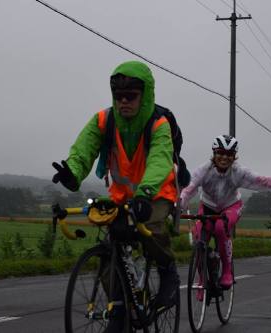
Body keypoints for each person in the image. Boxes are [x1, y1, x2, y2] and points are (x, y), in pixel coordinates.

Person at [52, 60, 180, 332]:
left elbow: (159, 160)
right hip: (121, 197)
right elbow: (83, 151)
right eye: (118, 96)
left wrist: (145, 193)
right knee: (112, 250)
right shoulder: (103, 120)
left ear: (145, 96)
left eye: (131, 96)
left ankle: (168, 270)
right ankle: (119, 308)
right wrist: (72, 173)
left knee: (152, 228)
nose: (123, 102)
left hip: (155, 193)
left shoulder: (159, 124)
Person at [180, 134, 271, 292]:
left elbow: (265, 182)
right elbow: (188, 190)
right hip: (208, 206)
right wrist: (178, 206)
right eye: (220, 153)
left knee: (219, 228)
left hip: (231, 206)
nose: (224, 157)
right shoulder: (204, 170)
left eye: (229, 154)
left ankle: (227, 271)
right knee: (198, 236)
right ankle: (203, 280)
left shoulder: (239, 172)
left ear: (234, 156)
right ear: (214, 153)